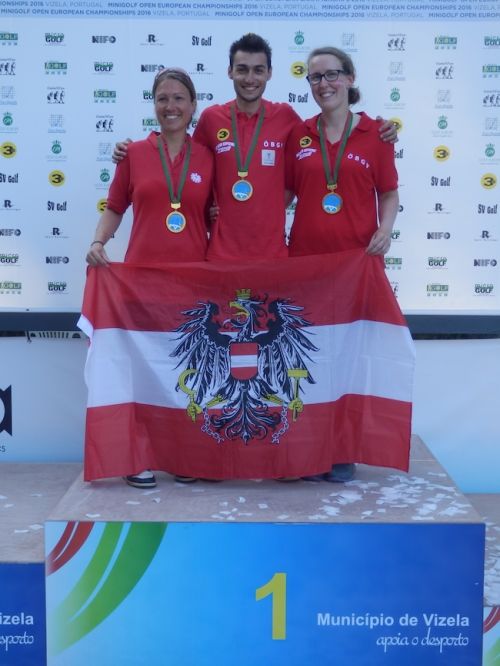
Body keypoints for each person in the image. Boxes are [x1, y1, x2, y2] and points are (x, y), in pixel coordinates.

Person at [114, 33, 398, 262]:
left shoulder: (288, 119)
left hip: (274, 254)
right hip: (219, 254)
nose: (250, 78)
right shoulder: (212, 119)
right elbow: (185, 163)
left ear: (270, 73)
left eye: (258, 70)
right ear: (229, 72)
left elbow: (331, 137)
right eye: (242, 70)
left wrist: (381, 128)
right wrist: (132, 151)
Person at [85, 68, 214, 488]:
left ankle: (184, 455)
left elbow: (223, 213)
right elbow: (116, 206)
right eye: (163, 98)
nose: (171, 106)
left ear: (193, 105)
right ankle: (137, 457)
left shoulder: (210, 156)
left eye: (179, 98)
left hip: (193, 282)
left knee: (185, 371)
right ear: (154, 105)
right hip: (141, 281)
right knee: (141, 372)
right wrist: (99, 242)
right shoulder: (135, 153)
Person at [285, 46, 400, 483]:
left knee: (350, 360)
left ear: (350, 79)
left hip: (356, 267)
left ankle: (341, 451)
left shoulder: (376, 133)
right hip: (306, 270)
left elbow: (388, 192)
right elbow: (286, 194)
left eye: (331, 75)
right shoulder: (298, 135)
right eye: (314, 78)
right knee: (309, 359)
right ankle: (306, 448)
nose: (323, 84)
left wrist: (386, 229)